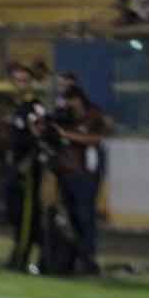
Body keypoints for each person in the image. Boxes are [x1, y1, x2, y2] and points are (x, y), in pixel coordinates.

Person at [52, 87, 107, 276]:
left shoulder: (93, 115)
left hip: (85, 174)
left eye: (70, 100)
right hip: (66, 171)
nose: (67, 105)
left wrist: (67, 135)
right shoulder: (63, 116)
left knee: (85, 217)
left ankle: (88, 258)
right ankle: (76, 256)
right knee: (73, 218)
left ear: (78, 99)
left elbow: (95, 139)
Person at [0, 63, 44, 274]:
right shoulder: (18, 107)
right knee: (16, 213)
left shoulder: (34, 107)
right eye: (17, 80)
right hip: (14, 168)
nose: (20, 85)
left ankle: (21, 258)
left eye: (25, 81)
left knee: (27, 216)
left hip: (27, 169)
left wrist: (28, 162)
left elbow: (39, 138)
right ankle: (19, 252)